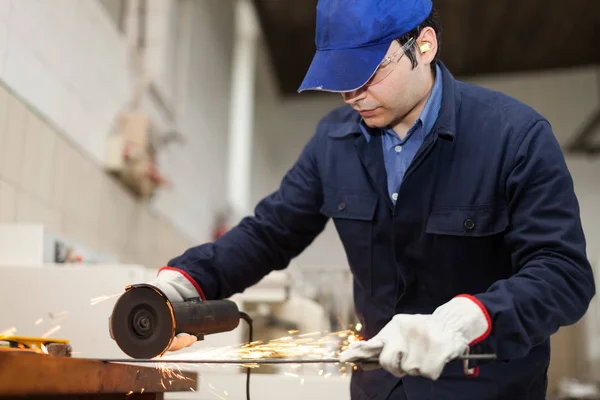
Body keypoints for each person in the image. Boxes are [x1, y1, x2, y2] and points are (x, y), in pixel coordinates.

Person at [130, 0, 596, 398]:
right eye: (340, 78)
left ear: (424, 46)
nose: (352, 94)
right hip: (378, 391)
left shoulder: (512, 137)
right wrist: (185, 282)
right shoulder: (332, 144)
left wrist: (466, 320)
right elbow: (268, 234)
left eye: (368, 73)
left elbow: (565, 274)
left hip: (485, 388)